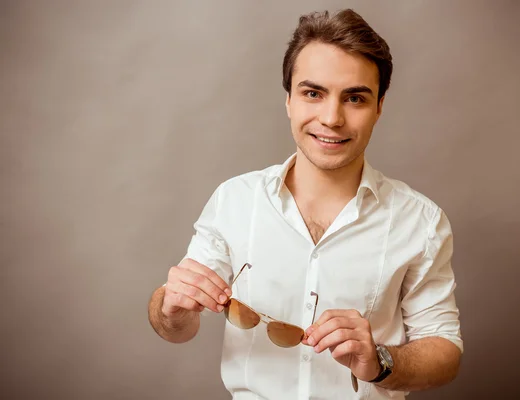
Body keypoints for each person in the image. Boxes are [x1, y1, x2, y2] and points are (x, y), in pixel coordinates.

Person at [148, 8, 462, 399]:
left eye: (355, 98)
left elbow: (445, 350)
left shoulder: (422, 221)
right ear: (289, 100)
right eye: (313, 93)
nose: (331, 118)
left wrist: (381, 361)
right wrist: (170, 307)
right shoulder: (235, 200)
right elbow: (176, 327)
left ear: (379, 107)